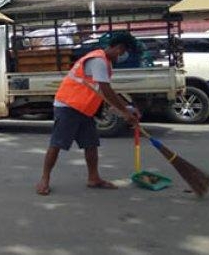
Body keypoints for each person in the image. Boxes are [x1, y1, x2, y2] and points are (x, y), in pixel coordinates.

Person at [35, 32, 141, 196]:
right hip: (68, 106)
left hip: (84, 108)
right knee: (57, 144)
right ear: (119, 48)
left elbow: (103, 91)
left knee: (91, 144)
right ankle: (44, 179)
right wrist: (124, 111)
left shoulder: (105, 61)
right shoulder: (98, 60)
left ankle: (93, 178)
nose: (123, 56)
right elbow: (106, 90)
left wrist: (127, 108)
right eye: (124, 51)